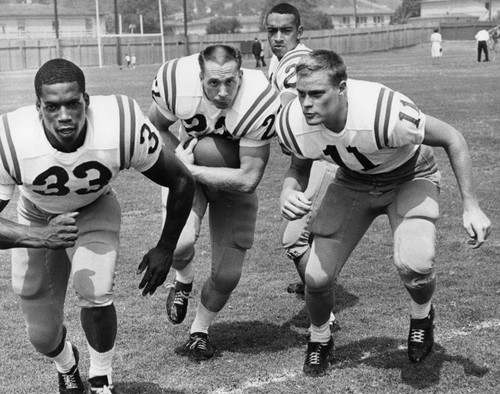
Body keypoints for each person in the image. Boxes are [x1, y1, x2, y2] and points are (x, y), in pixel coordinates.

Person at [276, 49, 491, 377]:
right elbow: (299, 164)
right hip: (352, 182)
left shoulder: (383, 112)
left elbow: (452, 137)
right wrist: (288, 189)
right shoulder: (293, 121)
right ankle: (320, 338)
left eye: (317, 94)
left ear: (342, 88)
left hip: (410, 176)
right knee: (317, 277)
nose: (306, 103)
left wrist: (471, 205)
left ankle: (421, 315)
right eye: (302, 93)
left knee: (415, 262)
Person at [0, 58, 194, 393]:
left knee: (96, 291)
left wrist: (165, 247)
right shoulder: (11, 139)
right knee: (43, 336)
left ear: (86, 100)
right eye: (52, 107)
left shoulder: (120, 123)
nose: (64, 116)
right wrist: (40, 235)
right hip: (36, 215)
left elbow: (180, 180)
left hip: (93, 207)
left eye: (73, 104)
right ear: (38, 108)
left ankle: (101, 378)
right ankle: (67, 365)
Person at [148, 44, 280, 360]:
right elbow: (156, 126)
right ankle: (183, 281)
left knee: (227, 275)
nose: (222, 92)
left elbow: (249, 178)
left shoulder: (260, 99)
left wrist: (189, 169)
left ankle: (200, 331)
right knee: (177, 246)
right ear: (199, 76)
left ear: (241, 75)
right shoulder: (175, 81)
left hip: (230, 184)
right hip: (189, 178)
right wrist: (179, 167)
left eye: (230, 82)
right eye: (213, 83)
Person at [265, 2, 338, 329]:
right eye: (272, 31)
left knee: (293, 236)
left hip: (322, 159)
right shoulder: (277, 60)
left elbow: (298, 127)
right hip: (306, 159)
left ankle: (326, 314)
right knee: (303, 236)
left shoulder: (297, 64)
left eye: (286, 31)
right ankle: (312, 282)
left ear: (299, 32)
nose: (278, 37)